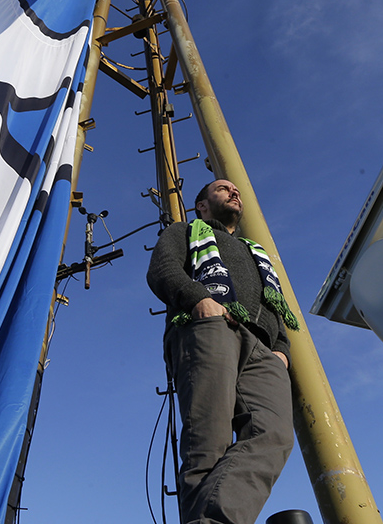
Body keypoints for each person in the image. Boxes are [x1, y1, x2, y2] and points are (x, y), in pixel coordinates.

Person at [146, 179, 299, 524]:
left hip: (264, 348)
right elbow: (162, 269)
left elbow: (272, 305)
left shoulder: (253, 252)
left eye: (236, 190)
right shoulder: (185, 231)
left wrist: (281, 349)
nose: (234, 192)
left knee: (273, 434)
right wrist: (200, 299)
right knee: (207, 441)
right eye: (222, 189)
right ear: (201, 205)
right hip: (211, 326)